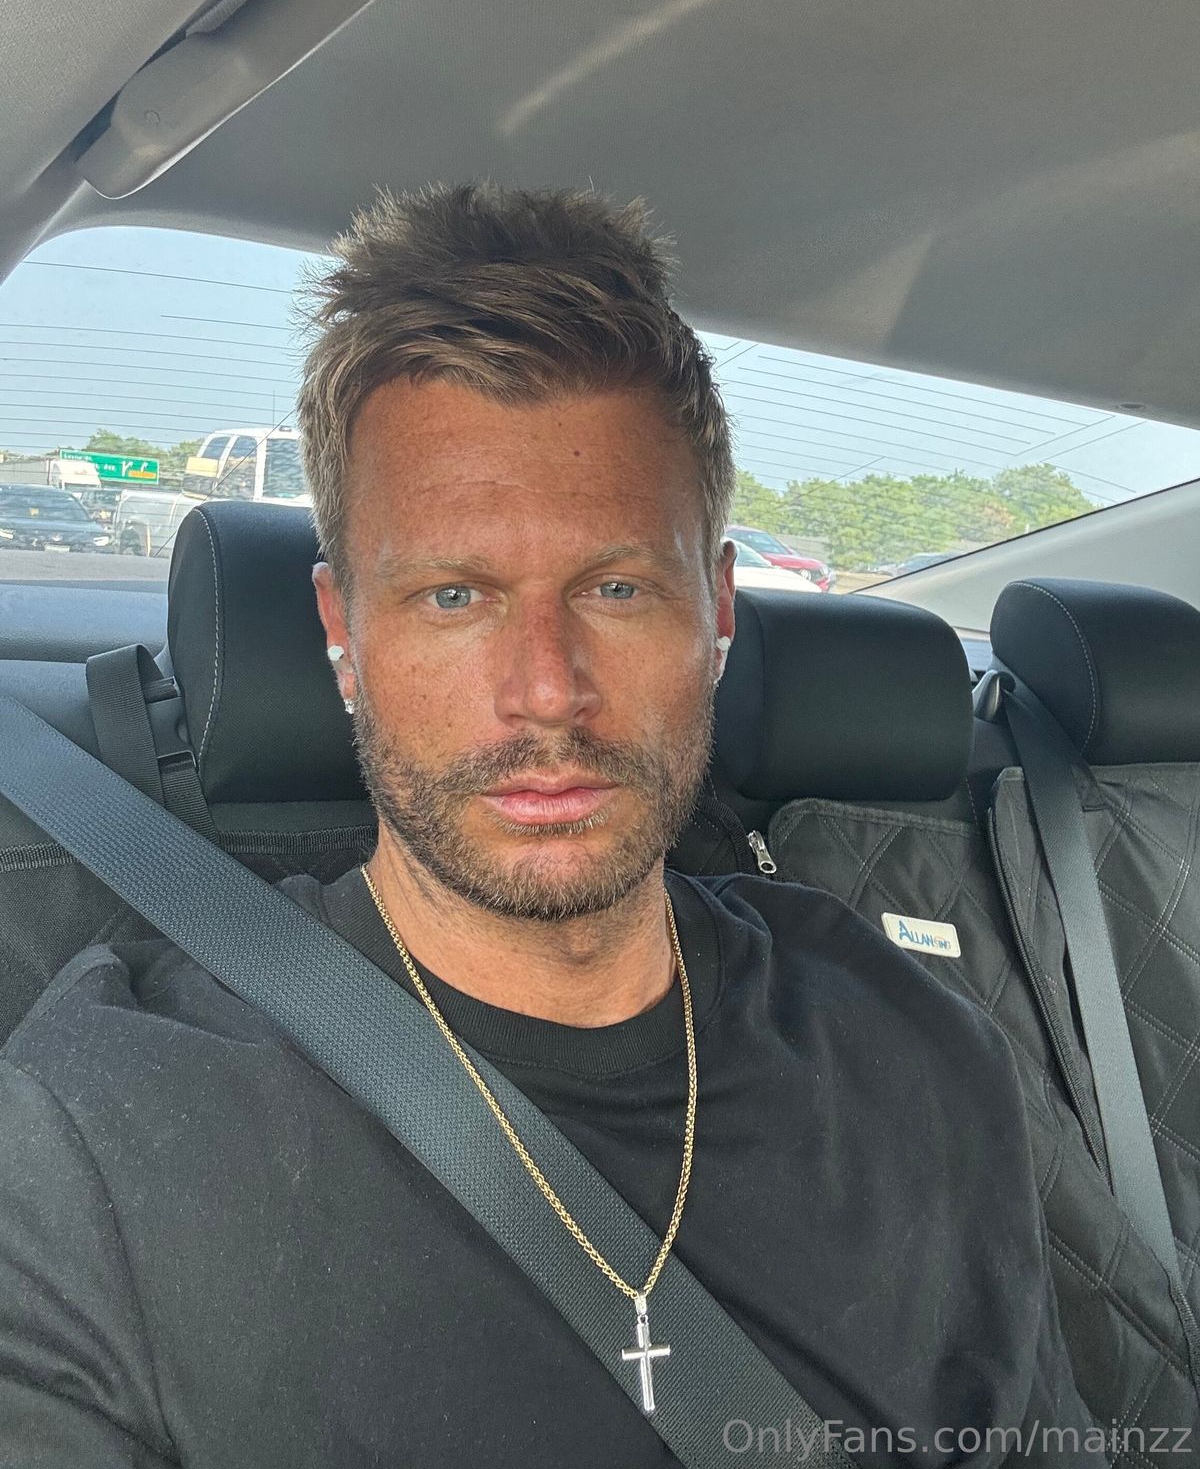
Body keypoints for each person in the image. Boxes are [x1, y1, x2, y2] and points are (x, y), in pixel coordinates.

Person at [0, 184, 1101, 1467]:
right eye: (453, 595)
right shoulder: (99, 1144)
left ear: (718, 613)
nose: (545, 690)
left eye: (617, 587)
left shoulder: (917, 1050)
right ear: (344, 632)